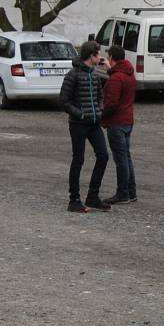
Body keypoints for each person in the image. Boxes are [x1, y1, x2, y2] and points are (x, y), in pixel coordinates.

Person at [59, 41, 110, 213]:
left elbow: (100, 96)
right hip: (78, 124)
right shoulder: (73, 75)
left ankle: (93, 196)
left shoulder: (95, 75)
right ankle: (74, 200)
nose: (100, 57)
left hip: (94, 123)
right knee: (78, 159)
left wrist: (100, 110)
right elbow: (64, 101)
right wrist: (80, 114)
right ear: (92, 56)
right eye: (98, 54)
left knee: (103, 155)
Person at [101, 45, 138, 205]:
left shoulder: (116, 78)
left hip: (117, 122)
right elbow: (118, 75)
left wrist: (102, 118)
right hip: (127, 120)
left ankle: (123, 192)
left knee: (121, 159)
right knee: (126, 157)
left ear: (112, 58)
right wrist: (110, 69)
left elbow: (111, 103)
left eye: (109, 57)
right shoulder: (128, 73)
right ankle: (131, 191)